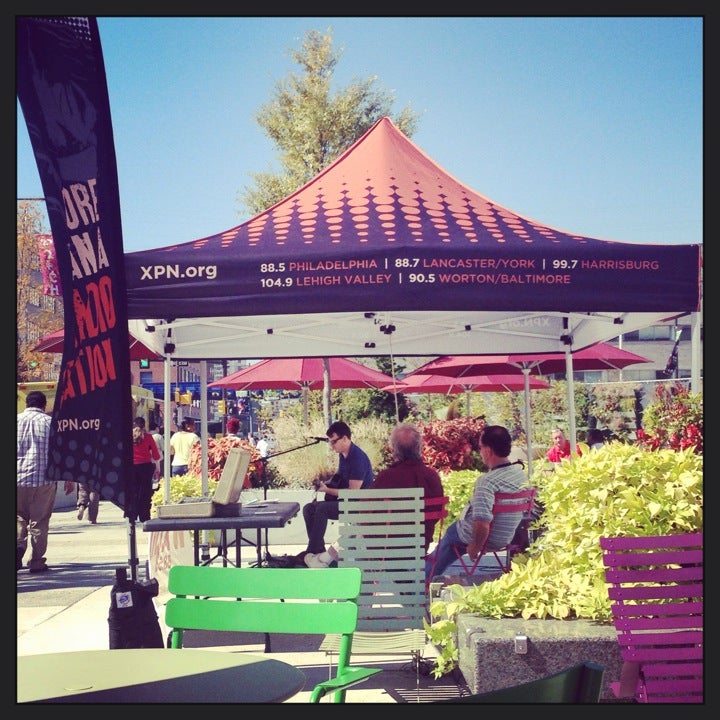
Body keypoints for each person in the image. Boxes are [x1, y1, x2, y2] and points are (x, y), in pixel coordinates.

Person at [424, 425, 528, 582]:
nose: (480, 452)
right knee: (447, 542)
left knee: (451, 537)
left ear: (488, 451)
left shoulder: (487, 482)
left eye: (480, 447)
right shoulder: (519, 475)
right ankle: (424, 571)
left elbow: (482, 523)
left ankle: (421, 579)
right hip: (506, 537)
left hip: (484, 538)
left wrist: (475, 546)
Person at [302, 421, 374, 568]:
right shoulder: (343, 455)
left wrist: (327, 490)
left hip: (358, 505)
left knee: (321, 509)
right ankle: (317, 552)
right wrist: (325, 484)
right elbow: (339, 478)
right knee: (308, 509)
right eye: (330, 442)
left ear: (345, 438)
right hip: (348, 503)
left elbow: (353, 493)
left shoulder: (357, 458)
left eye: (334, 441)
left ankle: (312, 555)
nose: (331, 445)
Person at [17, 390, 73, 572]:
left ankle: (17, 546)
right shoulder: (51, 424)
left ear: (26, 404)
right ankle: (37, 561)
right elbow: (61, 453)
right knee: (39, 520)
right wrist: (68, 477)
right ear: (44, 405)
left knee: (17, 518)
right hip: (44, 479)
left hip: (16, 479)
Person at [372, 422, 445, 551]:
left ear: (394, 449)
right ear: (419, 448)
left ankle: (326, 561)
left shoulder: (385, 478)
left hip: (385, 549)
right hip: (419, 546)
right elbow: (435, 516)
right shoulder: (432, 477)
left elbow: (369, 515)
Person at [127, 417, 161, 523]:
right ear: (144, 425)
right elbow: (156, 455)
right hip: (146, 467)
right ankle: (144, 515)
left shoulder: (128, 437)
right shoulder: (148, 437)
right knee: (145, 493)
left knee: (133, 491)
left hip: (131, 467)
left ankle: (132, 513)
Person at [149, 420, 164, 491]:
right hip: (158, 459)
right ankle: (158, 489)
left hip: (149, 459)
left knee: (151, 476)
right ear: (156, 428)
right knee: (159, 475)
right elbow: (164, 448)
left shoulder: (147, 435)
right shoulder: (158, 436)